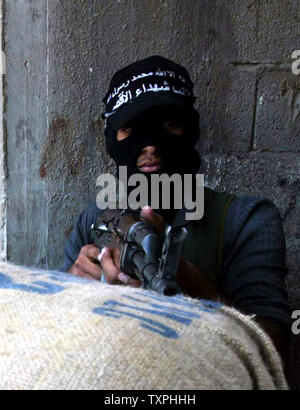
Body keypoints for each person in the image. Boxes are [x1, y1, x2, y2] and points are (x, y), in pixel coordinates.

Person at [59, 55, 291, 364]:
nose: (151, 145)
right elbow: (56, 338)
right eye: (131, 128)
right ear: (113, 139)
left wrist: (199, 293)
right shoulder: (96, 219)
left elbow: (274, 354)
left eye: (169, 124)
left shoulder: (244, 219)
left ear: (189, 131)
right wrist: (71, 291)